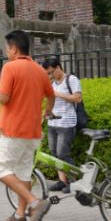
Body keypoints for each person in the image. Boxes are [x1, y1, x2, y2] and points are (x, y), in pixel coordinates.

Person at [0, 30, 55, 221]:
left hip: (12, 130)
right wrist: (46, 113)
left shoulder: (10, 67)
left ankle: (35, 202)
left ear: (14, 48)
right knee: (23, 172)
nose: (7, 51)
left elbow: (4, 98)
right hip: (33, 132)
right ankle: (19, 215)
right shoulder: (40, 70)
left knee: (0, 169)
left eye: (8, 48)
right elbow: (51, 97)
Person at [41, 58, 83, 193]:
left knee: (63, 153)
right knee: (54, 154)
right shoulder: (52, 84)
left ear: (58, 67)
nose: (50, 76)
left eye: (51, 72)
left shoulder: (72, 79)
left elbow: (78, 98)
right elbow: (50, 102)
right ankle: (62, 182)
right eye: (47, 74)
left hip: (67, 123)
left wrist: (58, 94)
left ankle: (74, 183)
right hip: (53, 122)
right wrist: (44, 115)